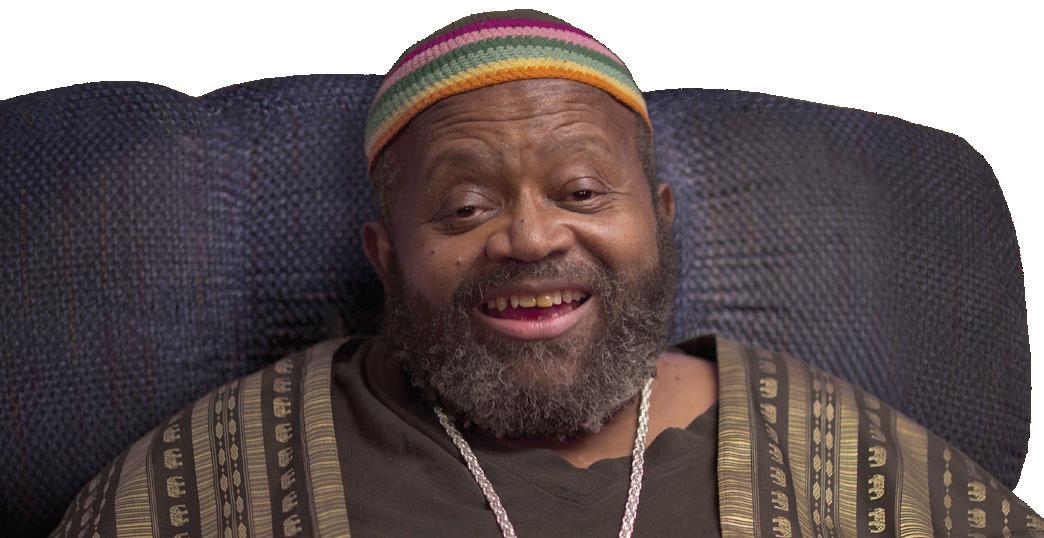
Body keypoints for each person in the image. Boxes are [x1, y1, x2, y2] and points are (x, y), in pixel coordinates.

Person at [52, 8, 1043, 538]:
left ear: (657, 221)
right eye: (465, 207)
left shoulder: (827, 450)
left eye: (580, 190)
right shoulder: (217, 477)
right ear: (386, 258)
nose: (529, 238)